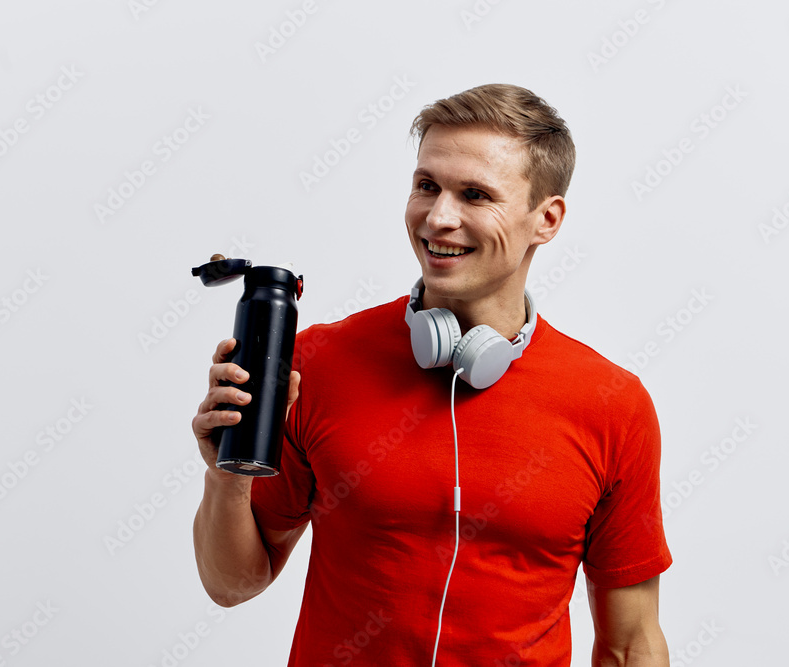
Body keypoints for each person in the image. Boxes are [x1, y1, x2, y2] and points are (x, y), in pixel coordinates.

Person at [191, 83, 672, 666]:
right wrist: (226, 476)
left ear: (546, 219)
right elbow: (232, 584)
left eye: (475, 195)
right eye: (426, 186)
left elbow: (629, 644)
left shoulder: (612, 404)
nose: (438, 217)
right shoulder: (316, 361)